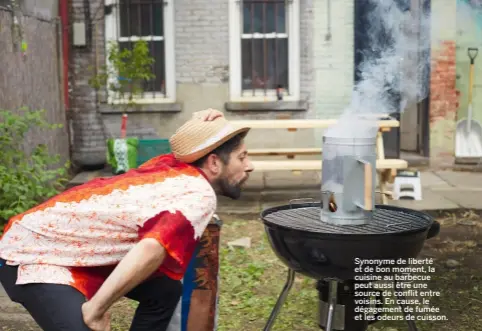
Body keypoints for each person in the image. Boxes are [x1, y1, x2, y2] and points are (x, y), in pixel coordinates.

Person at [0, 109, 254, 331]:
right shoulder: (199, 194)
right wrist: (96, 310)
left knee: (164, 292)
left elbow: (189, 146)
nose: (250, 165)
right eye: (242, 157)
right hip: (33, 254)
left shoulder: (173, 166)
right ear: (213, 163)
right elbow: (151, 249)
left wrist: (206, 121)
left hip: (74, 250)